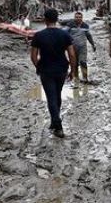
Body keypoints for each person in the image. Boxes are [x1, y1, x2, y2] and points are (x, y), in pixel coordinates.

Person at [31, 8, 76, 138]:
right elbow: (72, 55)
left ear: (45, 20)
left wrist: (38, 66)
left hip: (46, 70)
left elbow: (33, 55)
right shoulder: (65, 35)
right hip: (61, 69)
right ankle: (55, 121)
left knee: (51, 97)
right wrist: (72, 71)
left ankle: (57, 125)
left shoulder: (39, 35)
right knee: (57, 95)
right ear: (56, 19)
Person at [64, 12, 96, 84]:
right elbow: (64, 33)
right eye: (77, 17)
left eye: (79, 17)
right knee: (74, 63)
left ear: (82, 18)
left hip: (82, 47)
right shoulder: (70, 25)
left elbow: (89, 36)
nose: (78, 18)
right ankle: (76, 78)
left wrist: (93, 44)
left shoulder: (85, 26)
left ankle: (85, 78)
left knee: (83, 62)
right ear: (74, 18)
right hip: (72, 48)